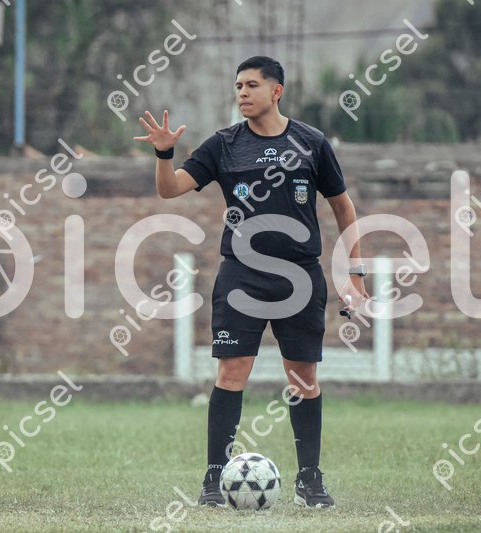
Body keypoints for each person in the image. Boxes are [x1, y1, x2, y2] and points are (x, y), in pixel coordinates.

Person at [134, 56, 368, 508]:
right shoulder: (224, 144)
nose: (242, 92)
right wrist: (164, 154)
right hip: (242, 275)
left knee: (303, 377)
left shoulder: (311, 143)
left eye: (252, 85)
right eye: (238, 85)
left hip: (300, 275)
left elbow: (343, 207)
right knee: (231, 372)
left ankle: (310, 481)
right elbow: (169, 189)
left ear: (276, 91)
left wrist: (354, 272)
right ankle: (213, 479)